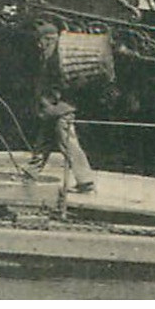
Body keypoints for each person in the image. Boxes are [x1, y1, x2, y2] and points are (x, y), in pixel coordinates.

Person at [27, 21, 96, 193]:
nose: (38, 44)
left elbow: (61, 85)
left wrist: (49, 102)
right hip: (53, 109)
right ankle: (30, 173)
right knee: (43, 142)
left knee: (68, 144)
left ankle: (86, 182)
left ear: (49, 39)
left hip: (60, 109)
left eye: (40, 40)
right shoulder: (50, 55)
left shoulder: (57, 59)